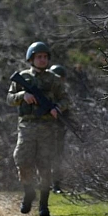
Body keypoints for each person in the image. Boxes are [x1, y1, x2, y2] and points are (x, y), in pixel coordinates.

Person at [6, 42, 69, 216]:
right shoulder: (23, 77)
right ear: (31, 58)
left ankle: (43, 204)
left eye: (45, 57)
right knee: (22, 159)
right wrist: (22, 96)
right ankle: (28, 192)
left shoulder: (54, 79)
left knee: (45, 165)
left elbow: (66, 99)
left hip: (47, 127)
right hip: (27, 125)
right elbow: (9, 98)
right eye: (39, 57)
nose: (42, 60)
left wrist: (57, 108)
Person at [48, 64, 68, 194]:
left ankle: (56, 184)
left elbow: (67, 107)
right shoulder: (46, 92)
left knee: (57, 158)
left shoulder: (62, 95)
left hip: (58, 129)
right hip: (43, 129)